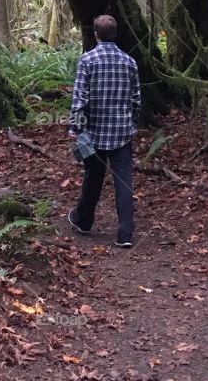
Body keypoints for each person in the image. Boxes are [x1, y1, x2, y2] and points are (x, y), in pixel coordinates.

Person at [67, 14, 141, 248]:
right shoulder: (129, 62)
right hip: (122, 132)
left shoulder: (87, 61)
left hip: (95, 132)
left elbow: (80, 99)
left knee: (93, 178)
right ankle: (125, 234)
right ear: (115, 34)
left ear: (96, 34)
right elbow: (136, 100)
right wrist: (133, 124)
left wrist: (76, 127)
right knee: (124, 181)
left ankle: (84, 220)